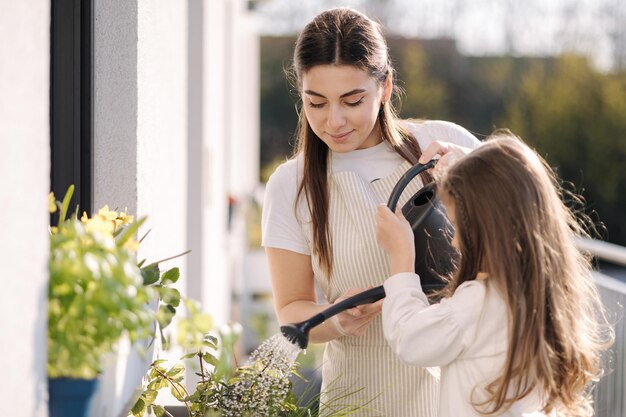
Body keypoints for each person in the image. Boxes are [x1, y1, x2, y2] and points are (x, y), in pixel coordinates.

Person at [261, 7, 481, 416]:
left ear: (385, 87)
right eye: (316, 103)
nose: (334, 121)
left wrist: (471, 164)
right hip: (358, 400)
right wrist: (335, 320)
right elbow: (292, 314)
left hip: (457, 394)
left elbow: (527, 218)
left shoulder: (444, 142)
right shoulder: (292, 186)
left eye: (353, 100)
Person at [376, 132, 614, 417]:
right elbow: (508, 184)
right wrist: (469, 167)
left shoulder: (479, 302)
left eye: (457, 226)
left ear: (488, 227)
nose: (453, 241)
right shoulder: (539, 290)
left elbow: (410, 338)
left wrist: (401, 255)